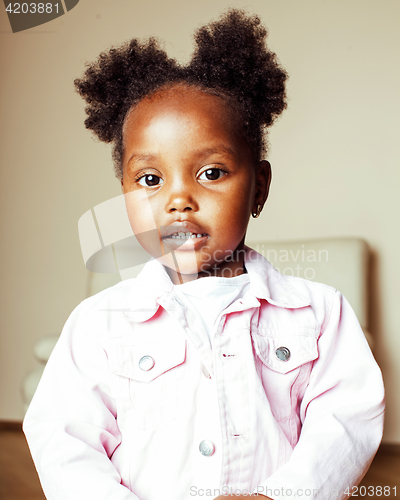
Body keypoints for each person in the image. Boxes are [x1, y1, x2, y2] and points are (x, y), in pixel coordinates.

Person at [23, 9, 385, 500]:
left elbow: (346, 422)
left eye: (211, 173)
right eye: (150, 180)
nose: (178, 200)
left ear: (260, 187)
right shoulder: (98, 323)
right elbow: (63, 438)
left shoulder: (320, 312)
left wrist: (280, 496)